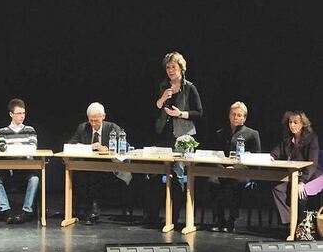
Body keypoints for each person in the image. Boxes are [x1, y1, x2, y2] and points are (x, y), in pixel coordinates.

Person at [145, 51, 203, 228]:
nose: (170, 70)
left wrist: (181, 114)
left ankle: (174, 219)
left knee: (177, 177)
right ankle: (153, 217)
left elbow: (199, 113)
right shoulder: (163, 85)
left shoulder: (190, 87)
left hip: (182, 138)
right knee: (153, 175)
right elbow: (154, 109)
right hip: (163, 136)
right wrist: (162, 98)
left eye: (174, 67)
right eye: (168, 67)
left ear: (181, 68)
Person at [68, 102, 132, 225]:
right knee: (85, 175)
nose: (94, 124)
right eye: (91, 120)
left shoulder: (113, 128)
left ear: (103, 116)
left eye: (96, 121)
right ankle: (91, 209)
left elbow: (125, 148)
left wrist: (107, 150)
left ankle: (93, 209)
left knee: (95, 176)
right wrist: (90, 147)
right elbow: (70, 145)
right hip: (88, 168)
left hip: (111, 168)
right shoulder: (83, 128)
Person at [209, 101, 261, 232]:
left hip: (243, 171)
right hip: (222, 170)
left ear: (244, 117)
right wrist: (222, 168)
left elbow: (256, 158)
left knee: (236, 182)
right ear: (229, 116)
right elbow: (215, 154)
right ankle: (220, 219)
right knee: (212, 181)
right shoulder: (220, 133)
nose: (236, 117)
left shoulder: (252, 134)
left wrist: (236, 169)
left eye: (239, 115)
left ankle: (232, 220)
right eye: (233, 114)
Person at [0, 99, 39, 224]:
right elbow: (2, 149)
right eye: (18, 113)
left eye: (23, 113)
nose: (22, 116)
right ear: (11, 114)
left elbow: (32, 148)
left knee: (35, 179)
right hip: (9, 170)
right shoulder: (3, 132)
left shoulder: (30, 130)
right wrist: (21, 146)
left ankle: (27, 212)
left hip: (25, 170)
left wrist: (13, 147)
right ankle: (5, 210)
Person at [270, 110, 323, 225]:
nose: (292, 125)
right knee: (277, 187)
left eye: (295, 122)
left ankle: (302, 225)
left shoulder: (312, 138)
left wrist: (302, 182)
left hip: (311, 176)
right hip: (294, 175)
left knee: (300, 193)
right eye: (290, 122)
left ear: (303, 124)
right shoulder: (287, 139)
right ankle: (291, 223)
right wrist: (271, 157)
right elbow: (275, 152)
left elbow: (312, 164)